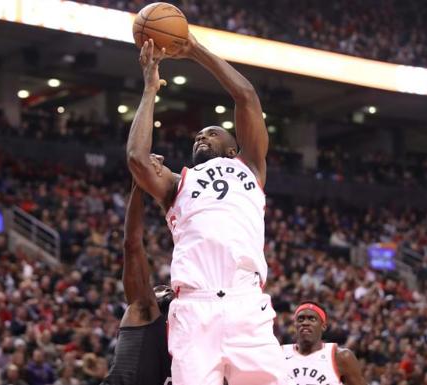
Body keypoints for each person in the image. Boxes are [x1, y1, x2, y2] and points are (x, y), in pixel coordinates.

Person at [127, 35, 285, 385]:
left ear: (232, 150)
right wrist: (150, 89)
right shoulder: (175, 183)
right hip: (194, 306)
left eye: (212, 133)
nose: (201, 137)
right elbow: (137, 160)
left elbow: (246, 96)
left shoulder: (251, 167)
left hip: (246, 301)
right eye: (198, 135)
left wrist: (195, 50)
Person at [101, 181, 173, 385]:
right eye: (159, 288)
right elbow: (132, 244)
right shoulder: (144, 310)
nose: (163, 287)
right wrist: (139, 184)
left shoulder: (193, 341)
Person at [282, 302, 365, 385]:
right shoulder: (279, 354)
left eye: (312, 319)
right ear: (294, 325)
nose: (305, 323)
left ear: (323, 326)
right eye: (300, 319)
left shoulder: (341, 357)